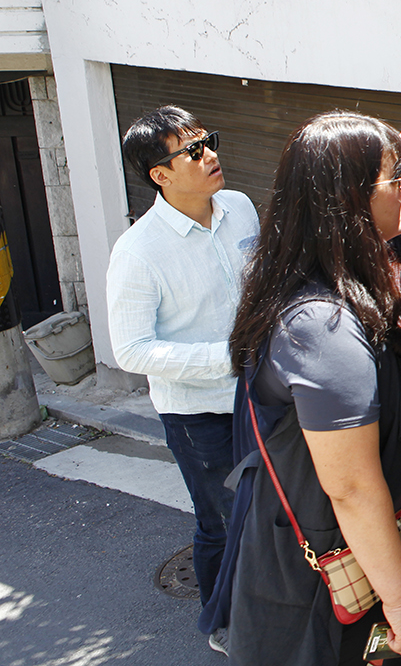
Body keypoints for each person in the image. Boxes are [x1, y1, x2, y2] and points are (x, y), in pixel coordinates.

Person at [225, 112, 401, 666]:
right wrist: (400, 604)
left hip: (357, 546)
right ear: (347, 198)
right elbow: (350, 486)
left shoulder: (344, 282)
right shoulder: (320, 325)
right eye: (395, 179)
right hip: (333, 571)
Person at [107, 105, 259, 656]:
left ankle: (265, 602)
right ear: (160, 174)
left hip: (260, 394)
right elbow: (131, 349)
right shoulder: (138, 252)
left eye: (208, 140)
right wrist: (228, 358)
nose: (211, 154)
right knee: (221, 518)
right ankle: (220, 620)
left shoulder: (240, 208)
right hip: (199, 414)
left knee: (265, 509)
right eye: (192, 150)